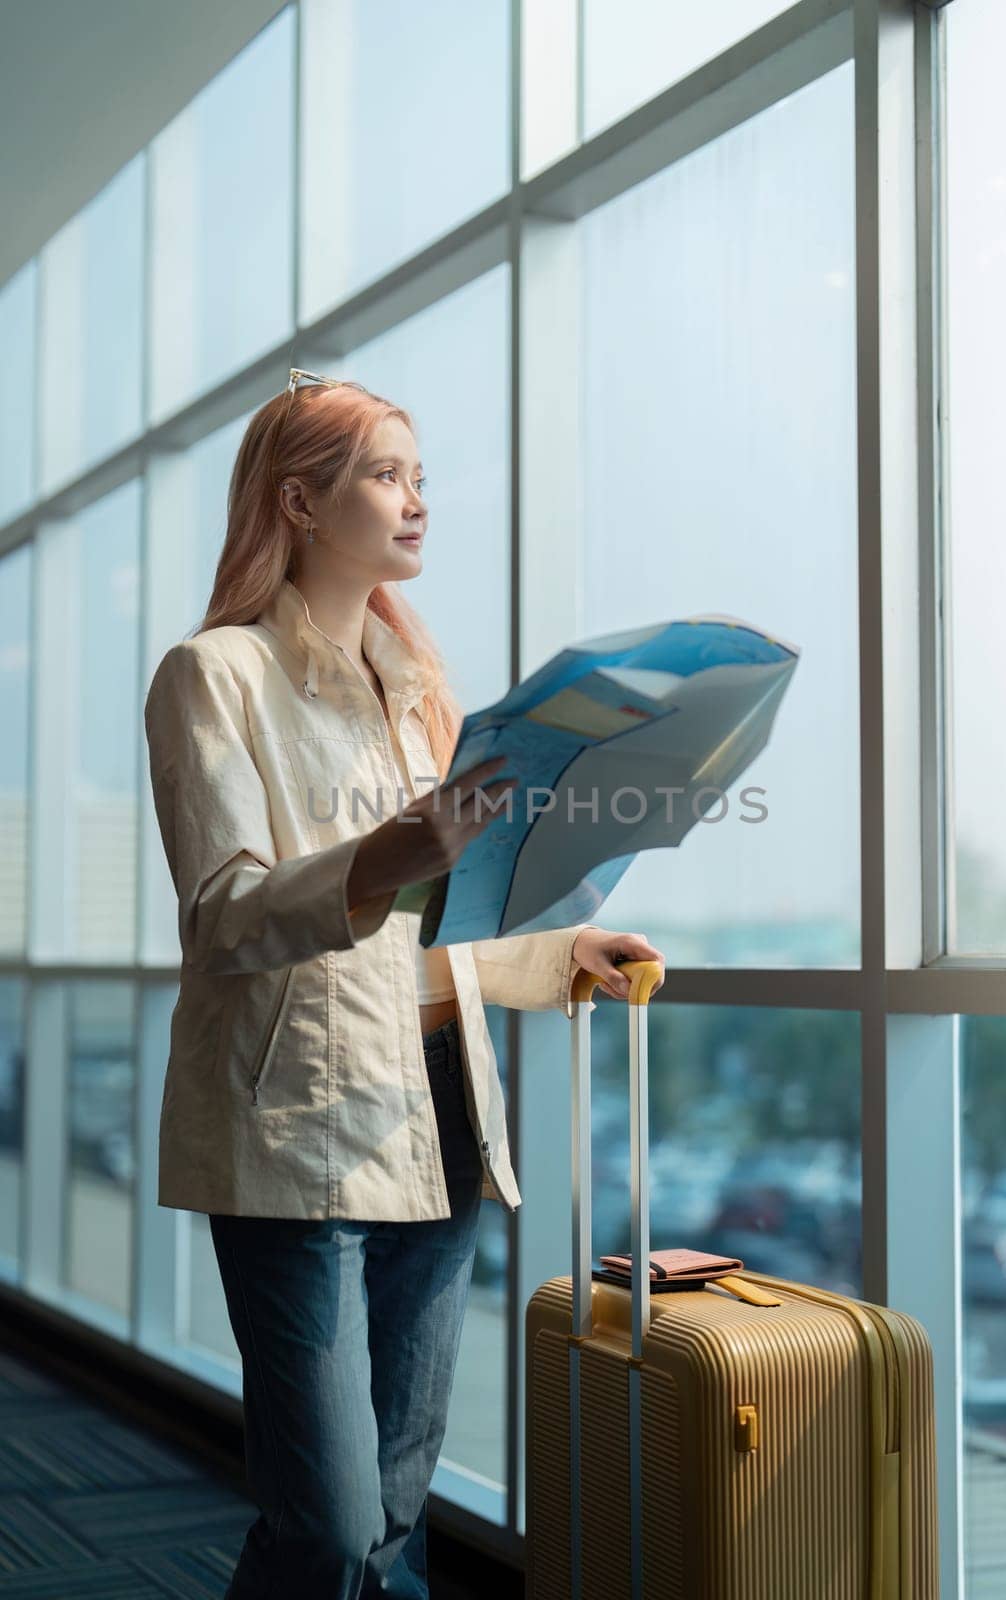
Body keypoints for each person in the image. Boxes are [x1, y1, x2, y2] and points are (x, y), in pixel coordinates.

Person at [142, 367, 666, 1598]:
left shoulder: (421, 692)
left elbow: (445, 917)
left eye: (420, 477)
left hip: (440, 1103)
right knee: (323, 1524)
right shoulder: (212, 675)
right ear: (301, 502)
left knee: (389, 1514)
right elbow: (223, 916)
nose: (417, 501)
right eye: (386, 475)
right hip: (297, 1127)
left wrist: (558, 955)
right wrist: (383, 853)